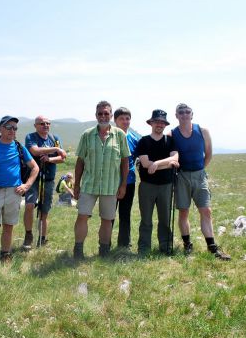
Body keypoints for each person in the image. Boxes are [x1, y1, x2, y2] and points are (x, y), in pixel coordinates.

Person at [170, 103, 231, 260]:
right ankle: (187, 244)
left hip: (199, 175)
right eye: (181, 112)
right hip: (181, 176)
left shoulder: (203, 132)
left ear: (192, 114)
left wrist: (199, 170)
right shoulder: (172, 135)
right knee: (184, 211)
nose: (184, 114)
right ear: (176, 116)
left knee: (206, 211)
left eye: (187, 112)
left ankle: (212, 247)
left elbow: (208, 154)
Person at [0, 116, 39, 274]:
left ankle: (6, 254)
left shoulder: (19, 147)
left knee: (8, 225)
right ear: (0, 129)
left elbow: (35, 168)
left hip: (14, 191)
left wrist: (26, 185)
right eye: (9, 127)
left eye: (15, 128)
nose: (12, 131)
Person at [73, 101, 130, 259]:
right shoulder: (87, 135)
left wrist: (123, 184)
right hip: (89, 185)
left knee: (107, 219)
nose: (103, 116)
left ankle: (103, 250)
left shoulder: (119, 135)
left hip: (110, 185)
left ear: (111, 115)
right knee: (82, 216)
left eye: (106, 113)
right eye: (100, 113)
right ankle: (78, 249)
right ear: (96, 115)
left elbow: (125, 161)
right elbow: (80, 161)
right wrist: (76, 184)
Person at [136, 110, 180, 255]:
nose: (160, 125)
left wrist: (156, 164)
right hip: (147, 186)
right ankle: (144, 248)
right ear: (151, 123)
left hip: (166, 185)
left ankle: (166, 246)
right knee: (146, 219)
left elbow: (175, 159)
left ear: (165, 125)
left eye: (162, 122)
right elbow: (145, 163)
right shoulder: (143, 141)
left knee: (165, 219)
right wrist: (165, 163)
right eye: (157, 122)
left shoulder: (170, 141)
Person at [22, 115, 67, 248]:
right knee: (29, 205)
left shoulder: (54, 139)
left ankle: (42, 238)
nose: (45, 125)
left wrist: (50, 159)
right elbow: (34, 151)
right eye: (42, 123)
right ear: (35, 126)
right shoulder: (31, 137)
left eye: (48, 123)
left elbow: (62, 158)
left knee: (44, 210)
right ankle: (28, 235)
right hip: (33, 178)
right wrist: (56, 149)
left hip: (49, 179)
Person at [113, 107, 141, 249]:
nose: (125, 121)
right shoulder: (110, 138)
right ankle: (105, 243)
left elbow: (138, 158)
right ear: (115, 120)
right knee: (109, 214)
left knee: (125, 213)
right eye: (121, 119)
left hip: (129, 182)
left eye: (127, 118)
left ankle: (124, 243)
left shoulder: (135, 139)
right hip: (110, 182)